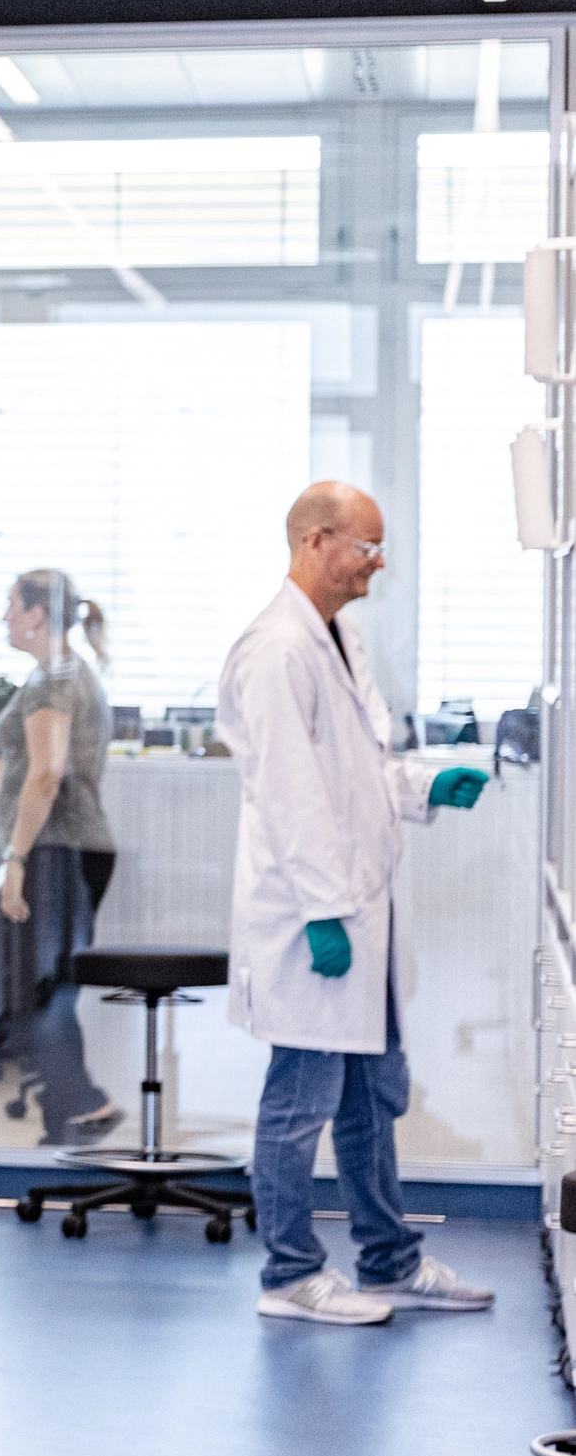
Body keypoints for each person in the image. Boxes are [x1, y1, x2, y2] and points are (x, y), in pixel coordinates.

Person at [218, 480, 492, 1324]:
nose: (379, 563)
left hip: (358, 909)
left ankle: (387, 1259)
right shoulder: (275, 651)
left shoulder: (341, 637)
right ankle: (290, 1275)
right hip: (311, 918)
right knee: (298, 1101)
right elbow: (292, 793)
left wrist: (423, 785)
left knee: (374, 1092)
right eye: (366, 547)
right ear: (315, 542)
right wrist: (326, 912)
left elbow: (359, 768)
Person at [0, 569, 122, 1143]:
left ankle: (76, 1109)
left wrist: (14, 862)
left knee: (37, 987)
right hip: (65, 849)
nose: (5, 618)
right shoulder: (61, 674)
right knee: (45, 984)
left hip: (53, 852)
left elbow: (46, 775)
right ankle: (75, 1107)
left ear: (38, 615)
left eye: (11, 606)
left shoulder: (52, 685)